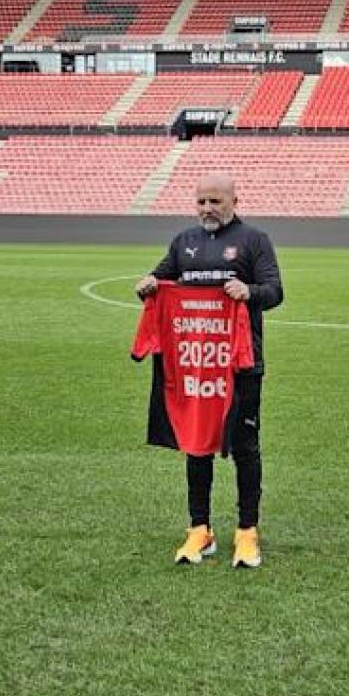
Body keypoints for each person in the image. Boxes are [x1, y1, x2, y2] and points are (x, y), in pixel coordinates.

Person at [134, 172, 283, 569]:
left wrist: (249, 292)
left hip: (241, 364)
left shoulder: (254, 240)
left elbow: (275, 291)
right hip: (196, 364)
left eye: (215, 201)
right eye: (201, 202)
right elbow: (160, 278)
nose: (207, 209)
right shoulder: (184, 242)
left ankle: (247, 531)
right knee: (197, 445)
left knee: (245, 447)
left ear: (234, 201)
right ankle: (200, 528)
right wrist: (148, 284)